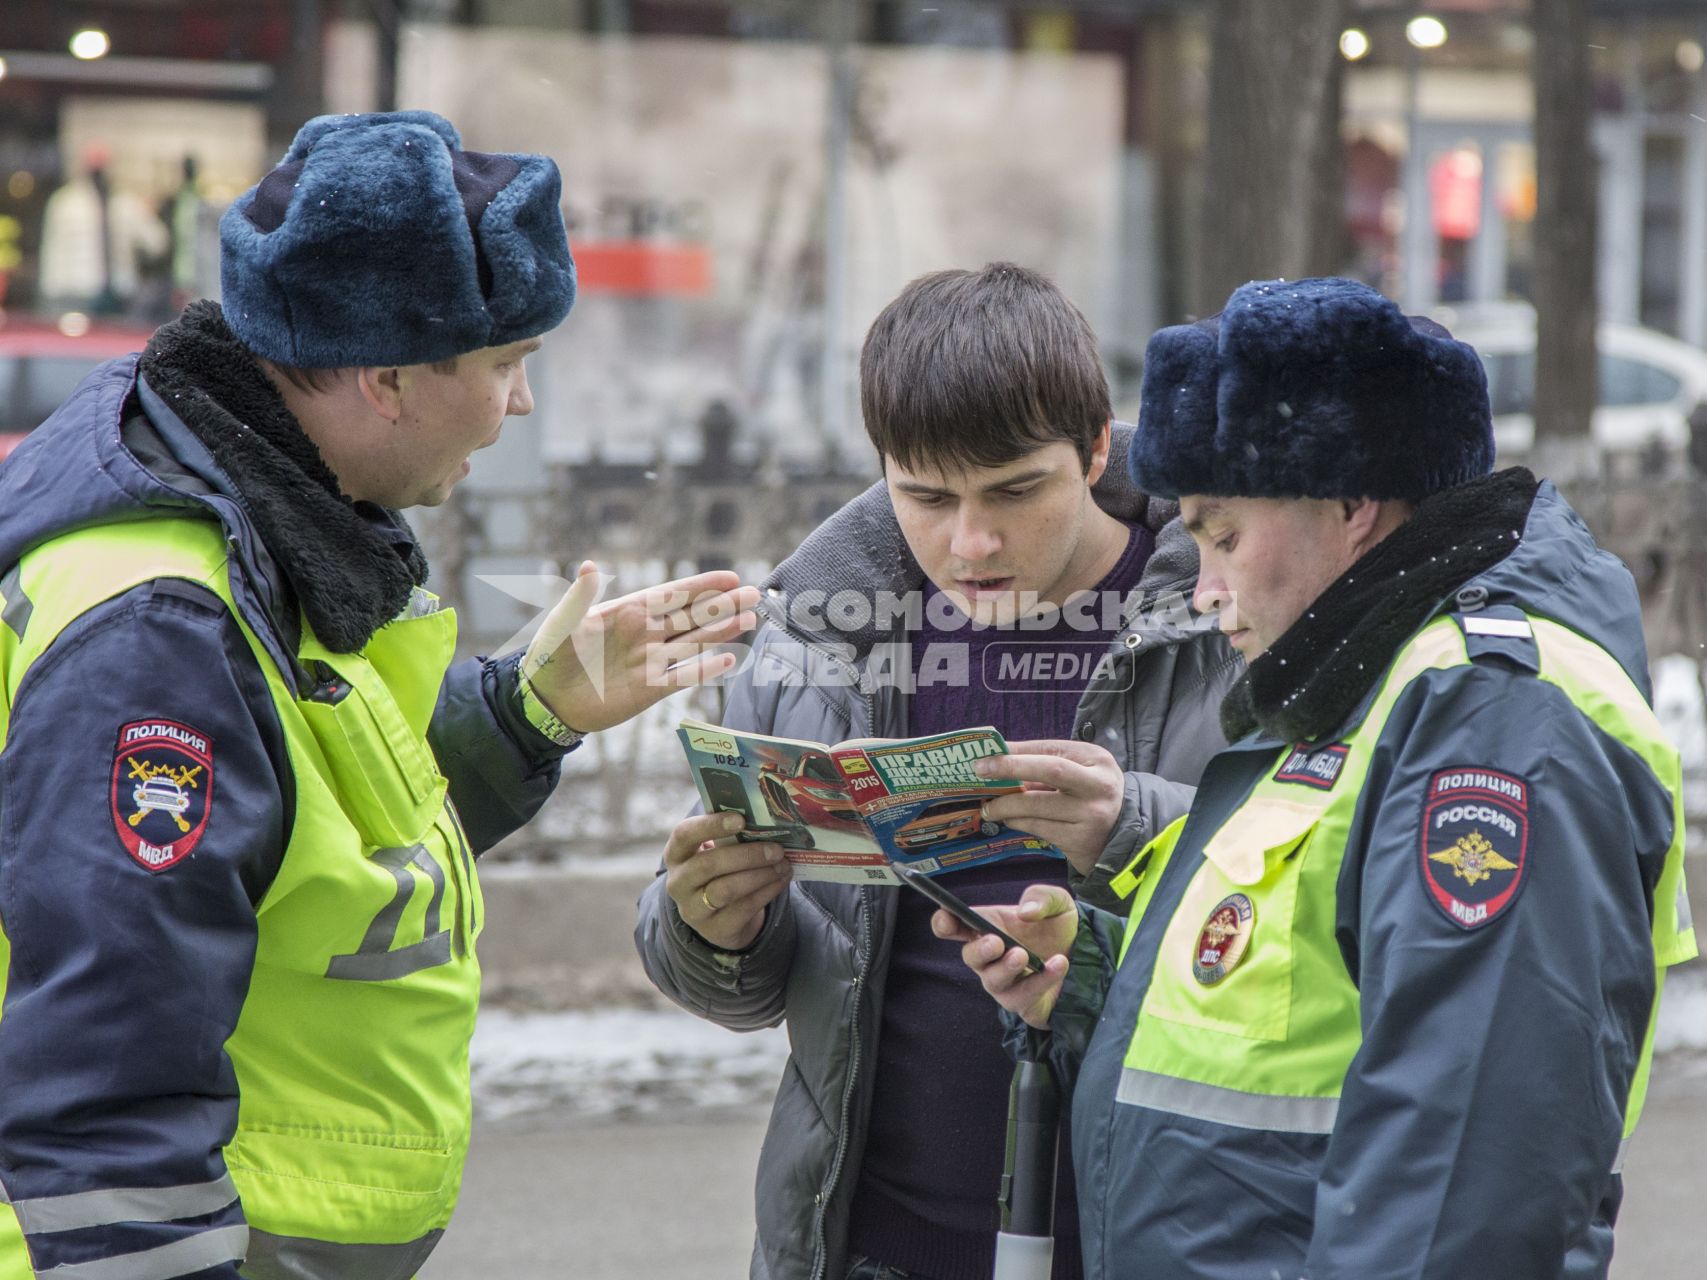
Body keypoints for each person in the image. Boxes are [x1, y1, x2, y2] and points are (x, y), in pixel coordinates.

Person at [0, 111, 756, 1280]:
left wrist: (524, 712)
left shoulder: (267, 510)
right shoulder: (165, 625)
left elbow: (318, 839)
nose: (521, 407)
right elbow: (107, 1077)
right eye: (507, 365)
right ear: (390, 378)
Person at [950, 276, 1698, 1279]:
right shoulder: (1361, 683)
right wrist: (1092, 978)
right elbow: (1294, 1014)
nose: (1205, 589)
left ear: (1352, 504)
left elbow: (1460, 1186)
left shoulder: (1490, 719)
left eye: (1222, 534)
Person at [635, 263, 1240, 1280]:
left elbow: (1319, 900)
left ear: (1096, 450)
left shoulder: (1224, 620)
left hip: (1155, 1236)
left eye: (1015, 490)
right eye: (925, 494)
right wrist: (713, 926)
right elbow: (769, 987)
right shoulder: (816, 643)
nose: (972, 541)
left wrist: (1132, 823)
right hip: (874, 1242)